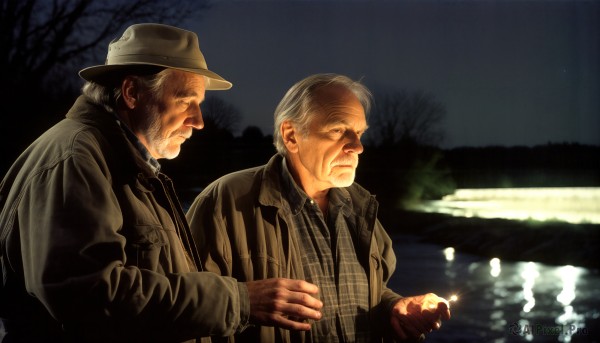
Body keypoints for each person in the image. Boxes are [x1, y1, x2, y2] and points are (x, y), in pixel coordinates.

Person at [0, 23, 323, 343]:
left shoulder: (126, 165)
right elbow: (91, 297)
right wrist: (239, 301)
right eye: (186, 101)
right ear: (131, 93)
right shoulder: (76, 161)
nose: (198, 121)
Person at [186, 73, 451, 342]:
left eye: (358, 133)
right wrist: (243, 303)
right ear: (291, 136)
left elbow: (362, 293)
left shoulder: (359, 208)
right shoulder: (227, 202)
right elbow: (186, 311)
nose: (357, 147)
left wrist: (392, 308)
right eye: (338, 131)